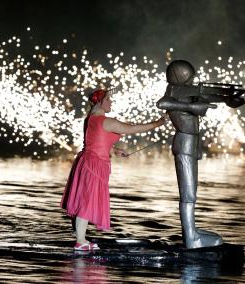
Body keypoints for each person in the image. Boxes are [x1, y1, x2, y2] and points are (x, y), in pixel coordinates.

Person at [61, 88, 169, 251]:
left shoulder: (90, 119)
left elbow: (94, 141)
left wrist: (114, 150)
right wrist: (158, 123)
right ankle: (80, 242)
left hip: (87, 162)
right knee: (87, 201)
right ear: (100, 102)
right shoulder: (106, 121)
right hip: (95, 165)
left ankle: (80, 238)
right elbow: (132, 128)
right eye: (109, 100)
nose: (111, 102)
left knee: (85, 199)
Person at [156, 60, 245, 249]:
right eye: (189, 78)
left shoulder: (183, 92)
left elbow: (207, 95)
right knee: (188, 195)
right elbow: (162, 103)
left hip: (191, 145)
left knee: (192, 194)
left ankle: (192, 232)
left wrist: (229, 98)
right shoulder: (173, 91)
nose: (193, 81)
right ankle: (191, 238)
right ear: (180, 77)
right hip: (184, 144)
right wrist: (192, 108)